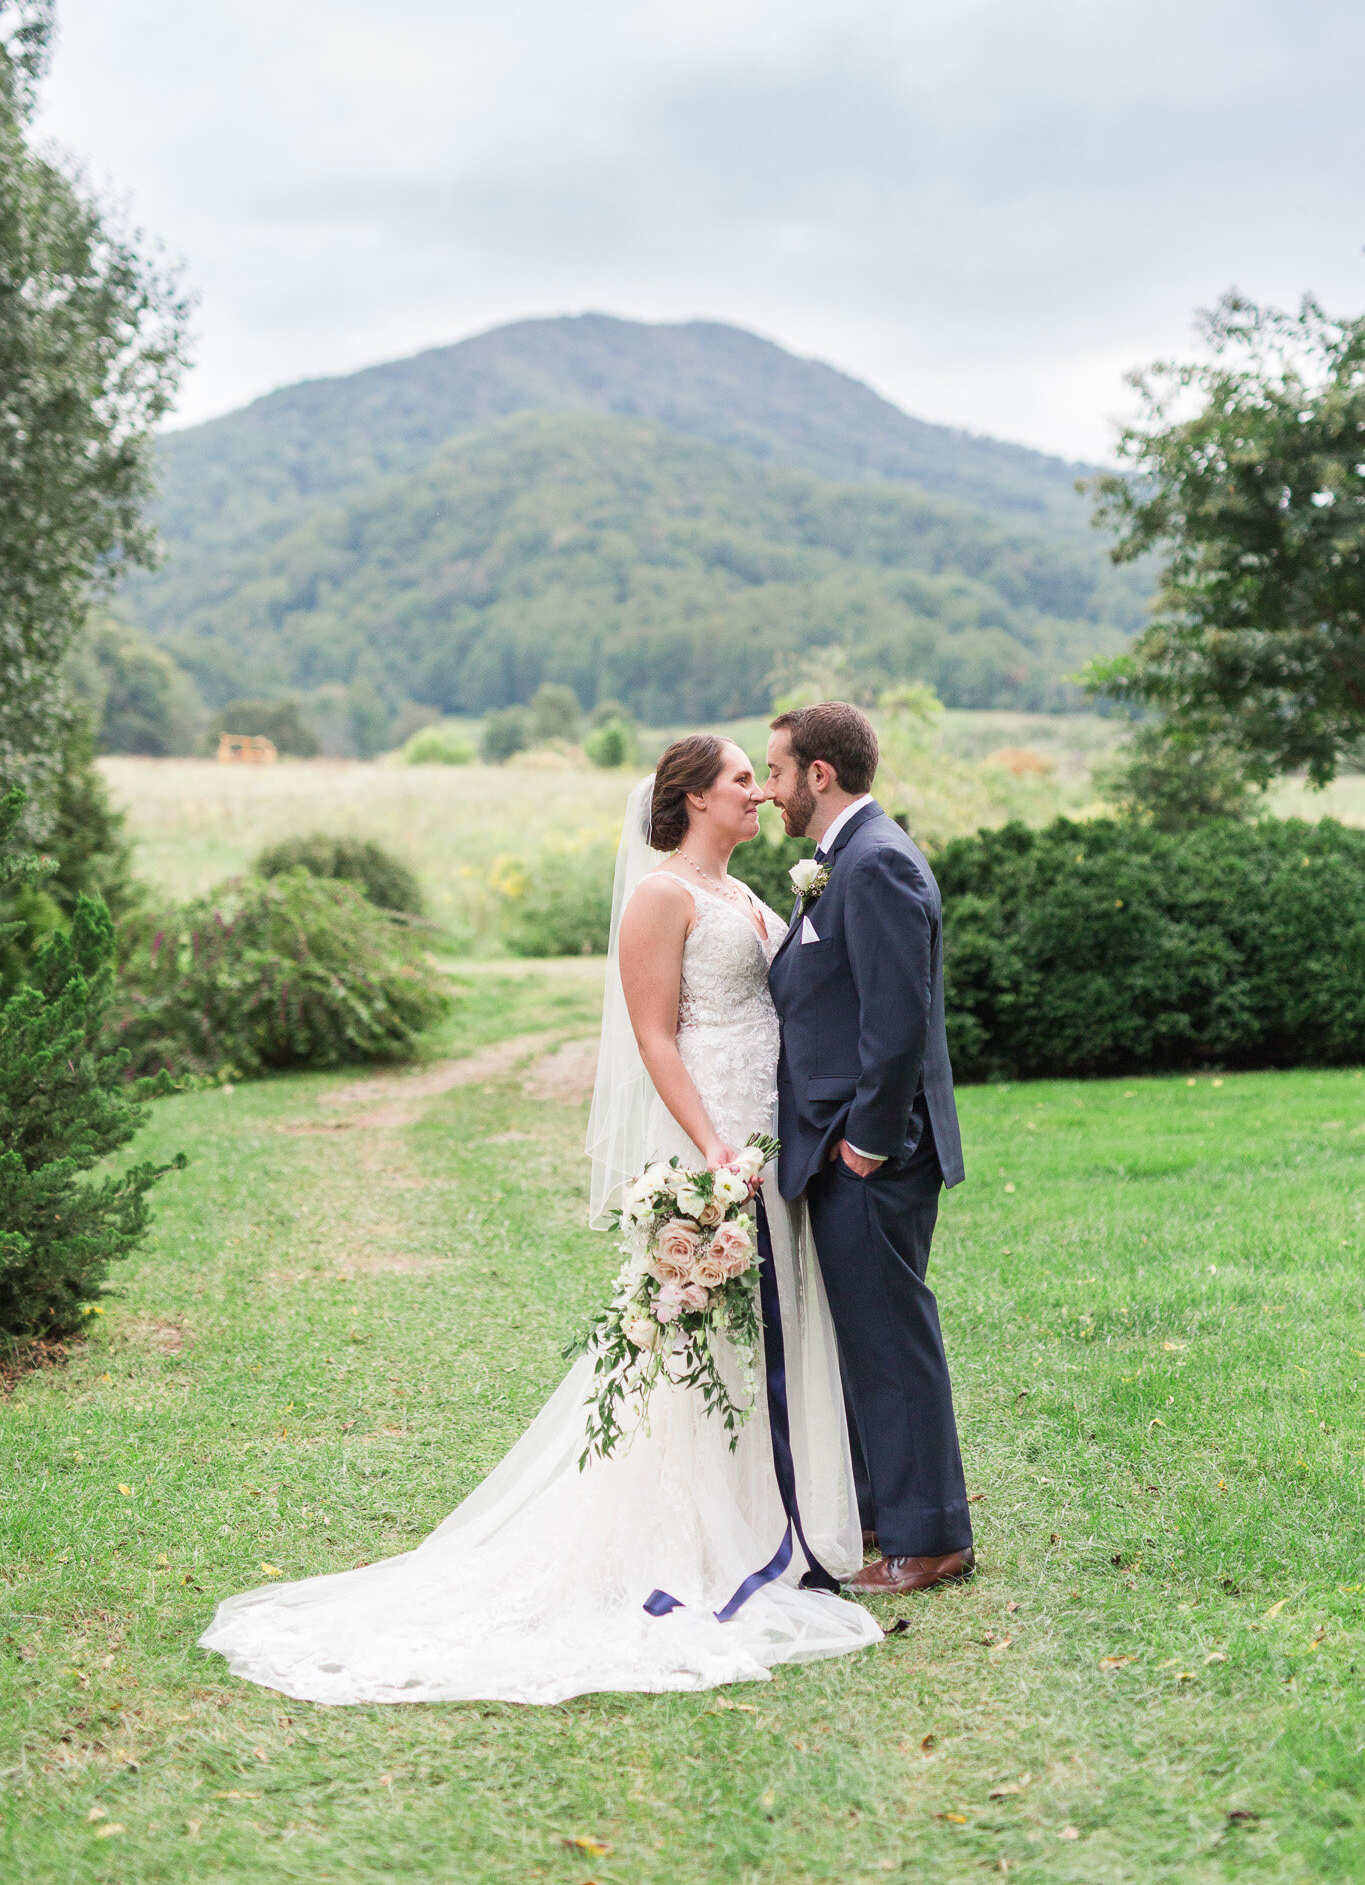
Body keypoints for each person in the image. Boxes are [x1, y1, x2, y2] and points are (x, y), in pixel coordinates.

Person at [199, 735, 879, 1704]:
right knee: (695, 1333)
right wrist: (712, 1146)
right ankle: (688, 1532)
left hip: (768, 1131)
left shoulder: (748, 892)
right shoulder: (661, 895)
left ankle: (773, 1507)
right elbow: (652, 1033)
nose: (757, 792)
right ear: (690, 796)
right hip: (715, 1134)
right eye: (739, 778)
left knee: (760, 1326)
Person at [765, 702, 974, 1596]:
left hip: (873, 1151)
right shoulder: (840, 860)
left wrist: (865, 1144)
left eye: (776, 771)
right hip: (840, 1144)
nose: (769, 790)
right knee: (866, 1334)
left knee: (891, 1337)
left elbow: (896, 1020)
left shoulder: (877, 862)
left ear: (820, 773)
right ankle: (884, 1516)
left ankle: (929, 1542)